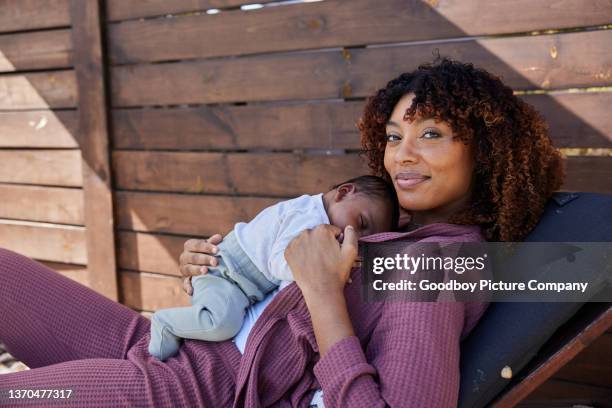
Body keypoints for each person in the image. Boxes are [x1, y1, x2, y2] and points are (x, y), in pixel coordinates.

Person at [0, 58, 564, 407]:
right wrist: (216, 271)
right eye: (394, 137)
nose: (402, 157)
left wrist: (321, 294)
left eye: (431, 134)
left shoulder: (438, 264)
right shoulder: (392, 225)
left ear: (485, 152)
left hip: (193, 392)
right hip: (162, 344)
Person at [148, 175, 399, 361]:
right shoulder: (309, 217)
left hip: (241, 286)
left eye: (364, 238)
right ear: (343, 193)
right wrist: (324, 268)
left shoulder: (319, 219)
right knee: (221, 323)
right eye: (361, 222)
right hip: (226, 273)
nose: (353, 235)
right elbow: (279, 261)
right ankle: (163, 326)